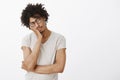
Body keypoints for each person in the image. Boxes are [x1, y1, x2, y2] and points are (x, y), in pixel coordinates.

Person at [20, 3, 66, 80]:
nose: (37, 25)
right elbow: (28, 65)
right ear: (29, 26)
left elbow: (59, 67)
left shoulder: (59, 38)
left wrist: (32, 68)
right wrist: (39, 39)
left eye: (38, 20)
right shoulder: (27, 39)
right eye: (33, 23)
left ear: (44, 18)